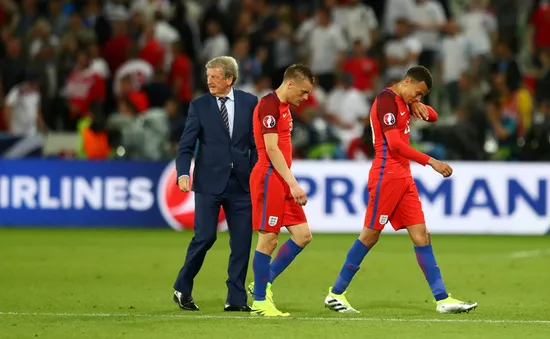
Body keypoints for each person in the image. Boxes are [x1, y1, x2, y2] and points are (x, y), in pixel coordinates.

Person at [324, 66, 478, 314]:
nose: (418, 98)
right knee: (370, 236)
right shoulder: (386, 101)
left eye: (422, 96)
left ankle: (442, 299)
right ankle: (336, 293)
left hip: (403, 178)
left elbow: (434, 117)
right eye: (417, 93)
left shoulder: (405, 101)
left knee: (422, 236)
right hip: (387, 176)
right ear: (407, 81)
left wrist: (419, 106)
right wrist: (432, 162)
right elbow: (395, 144)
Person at [173, 56, 258, 312]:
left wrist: (254, 171)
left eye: (214, 76)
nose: (209, 81)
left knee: (242, 242)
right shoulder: (199, 106)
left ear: (229, 79)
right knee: (205, 237)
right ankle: (182, 287)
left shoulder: (249, 102)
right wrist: (182, 173)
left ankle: (235, 299)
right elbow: (186, 145)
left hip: (241, 184)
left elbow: (255, 144)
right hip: (209, 182)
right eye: (208, 76)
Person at [247, 64, 315, 317]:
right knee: (268, 239)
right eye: (304, 92)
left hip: (280, 179)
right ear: (290, 84)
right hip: (269, 178)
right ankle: (260, 303)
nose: (306, 98)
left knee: (302, 235)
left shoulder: (285, 107)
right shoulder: (269, 106)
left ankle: (262, 284)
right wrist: (293, 183)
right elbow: (272, 149)